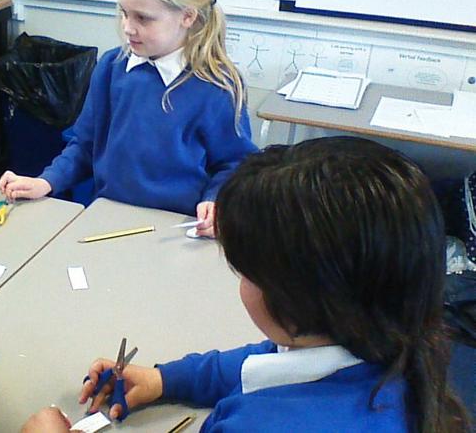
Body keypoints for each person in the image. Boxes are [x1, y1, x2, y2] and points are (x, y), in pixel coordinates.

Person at [23, 137, 469, 432]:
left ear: (296, 300)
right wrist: (164, 379)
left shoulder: (255, 424)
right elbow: (263, 361)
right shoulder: (387, 342)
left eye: (246, 273)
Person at [0, 0, 257, 237]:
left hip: (177, 230)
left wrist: (216, 200)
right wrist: (47, 181)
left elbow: (235, 163)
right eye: (124, 13)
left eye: (143, 18)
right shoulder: (112, 69)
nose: (128, 27)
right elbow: (84, 145)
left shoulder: (216, 86)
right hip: (108, 220)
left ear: (187, 16)